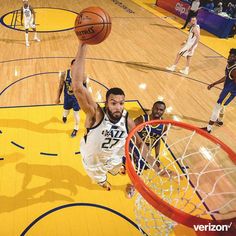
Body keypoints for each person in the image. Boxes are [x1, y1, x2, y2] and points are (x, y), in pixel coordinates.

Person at [71, 43, 162, 191]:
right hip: (93, 161)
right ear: (106, 103)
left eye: (121, 103)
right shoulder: (95, 114)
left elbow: (139, 144)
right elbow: (77, 87)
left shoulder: (127, 120)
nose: (118, 107)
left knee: (118, 165)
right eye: (113, 103)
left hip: (114, 157)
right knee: (100, 180)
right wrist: (83, 44)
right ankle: (103, 182)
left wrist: (157, 168)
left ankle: (117, 169)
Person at [126, 101, 167, 198]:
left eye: (161, 110)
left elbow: (157, 140)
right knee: (129, 167)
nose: (158, 111)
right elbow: (129, 131)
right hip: (134, 148)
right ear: (152, 108)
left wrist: (157, 156)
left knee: (138, 171)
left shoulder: (163, 125)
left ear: (163, 111)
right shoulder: (142, 119)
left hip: (145, 153)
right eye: (156, 108)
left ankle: (132, 186)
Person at [202, 48, 236, 133]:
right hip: (227, 89)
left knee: (216, 108)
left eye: (232, 56)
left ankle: (209, 128)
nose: (229, 57)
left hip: (229, 92)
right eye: (230, 55)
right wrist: (214, 83)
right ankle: (220, 121)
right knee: (222, 106)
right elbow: (226, 77)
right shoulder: (229, 65)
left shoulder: (235, 70)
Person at [55, 59, 86, 137]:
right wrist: (57, 98)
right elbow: (60, 87)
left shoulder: (82, 76)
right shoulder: (64, 74)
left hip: (77, 99)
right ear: (71, 66)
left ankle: (76, 129)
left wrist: (84, 102)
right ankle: (65, 116)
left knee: (76, 114)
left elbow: (85, 90)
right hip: (67, 97)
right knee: (66, 111)